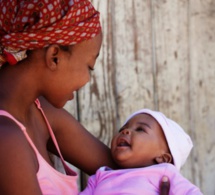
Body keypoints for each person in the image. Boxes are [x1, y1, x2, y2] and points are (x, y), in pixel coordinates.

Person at [0, 1, 170, 194]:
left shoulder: (42, 112)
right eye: (89, 67)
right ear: (54, 56)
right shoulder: (6, 139)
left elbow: (128, 173)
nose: (88, 80)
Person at [80, 108, 203, 195]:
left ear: (163, 158)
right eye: (123, 129)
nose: (125, 131)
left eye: (140, 129)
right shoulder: (101, 176)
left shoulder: (164, 174)